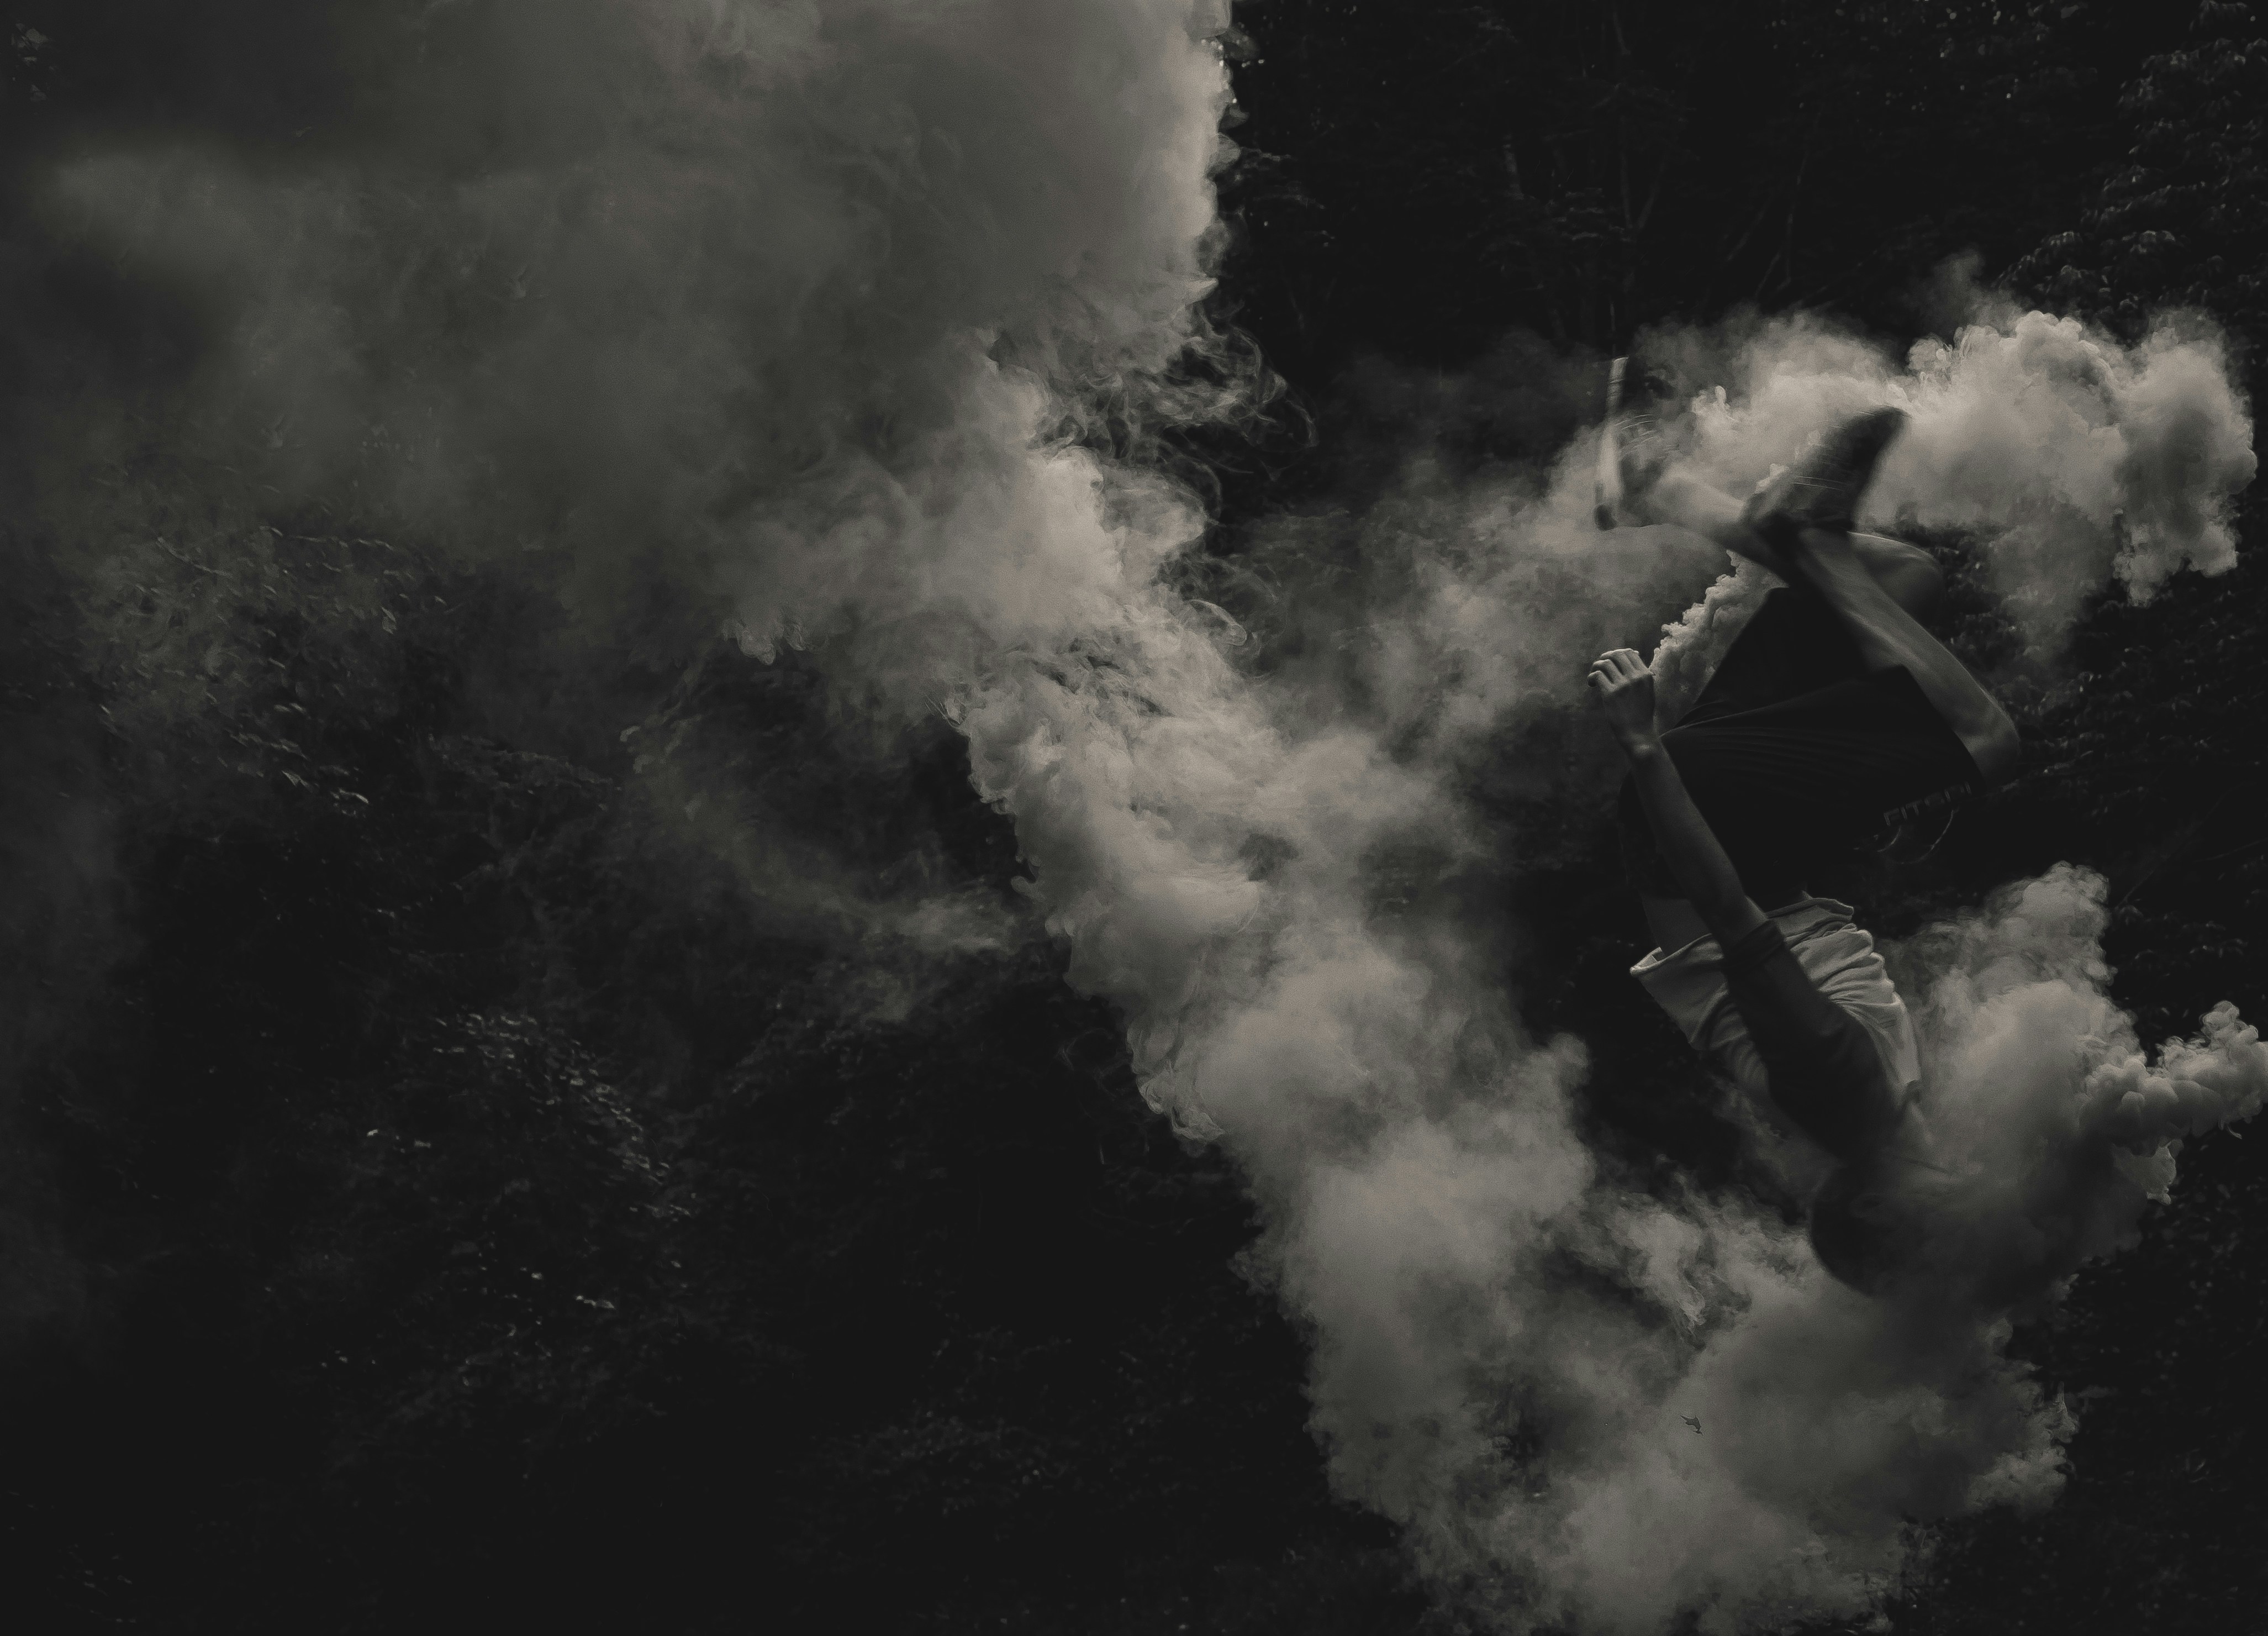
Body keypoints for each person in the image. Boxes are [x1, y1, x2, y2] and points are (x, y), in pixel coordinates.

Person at [1587, 396, 2019, 1291]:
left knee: (1987, 744)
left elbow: (1730, 917)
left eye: (1938, 1234)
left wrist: (1641, 745)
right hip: (1740, 838)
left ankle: (1806, 533)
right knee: (1901, 583)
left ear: (1868, 1205)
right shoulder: (1873, 1108)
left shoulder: (1847, 1099)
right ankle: (1656, 488)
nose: (1970, 1219)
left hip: (1709, 823)